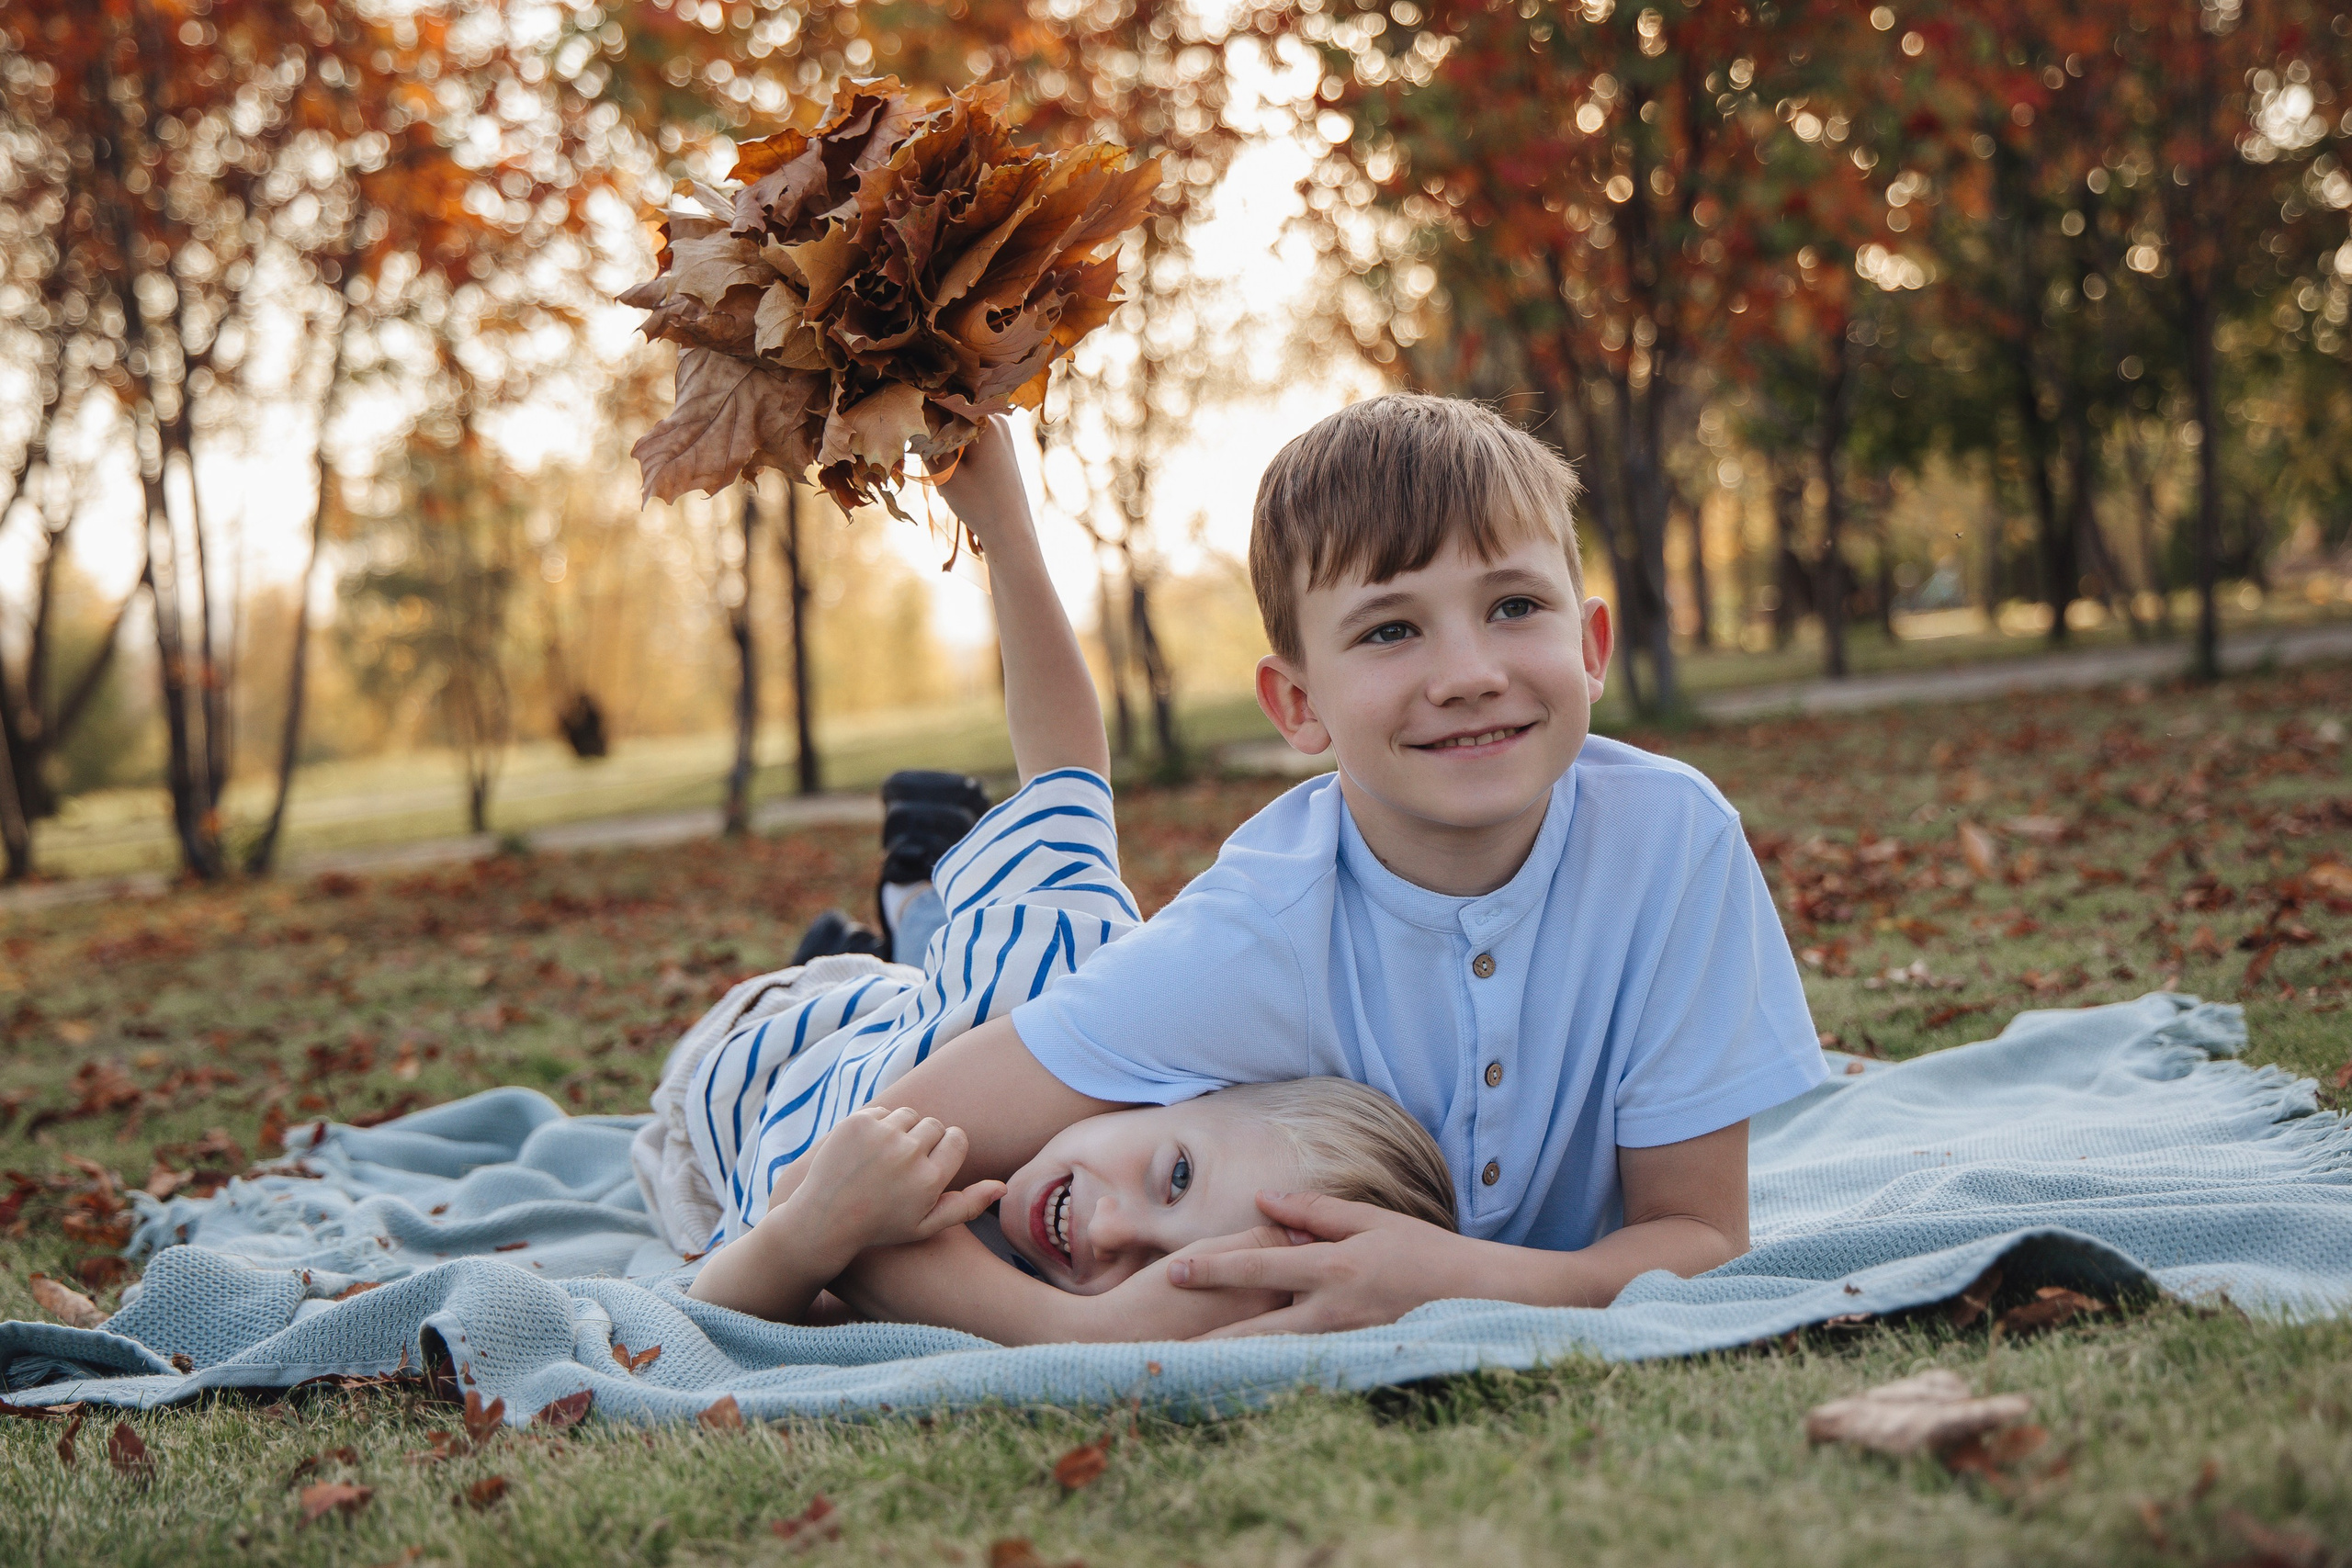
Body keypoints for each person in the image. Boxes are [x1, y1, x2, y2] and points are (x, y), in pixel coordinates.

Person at [809, 391, 1828, 1340]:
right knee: (1013, 940)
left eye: (1515, 606)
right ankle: (907, 935)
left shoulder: (1672, 844)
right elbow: (840, 1179)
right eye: (1391, 629)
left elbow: (1697, 1235)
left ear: (1593, 645)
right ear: (1298, 706)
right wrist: (1080, 1333)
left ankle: (913, 924)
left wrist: (1454, 1278)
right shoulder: (1245, 946)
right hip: (915, 1026)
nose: (1471, 676)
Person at [684, 413, 1456, 1340]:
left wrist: (805, 1236)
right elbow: (1065, 767)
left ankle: (905, 926)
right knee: (936, 966)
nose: (1109, 1229)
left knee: (908, 985)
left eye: (1153, 1276)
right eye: (1174, 1177)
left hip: (711, 1132)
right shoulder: (1079, 964)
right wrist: (1005, 532)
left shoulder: (962, 1292)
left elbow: (719, 1306)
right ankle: (894, 934)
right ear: (1192, 1084)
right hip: (773, 1028)